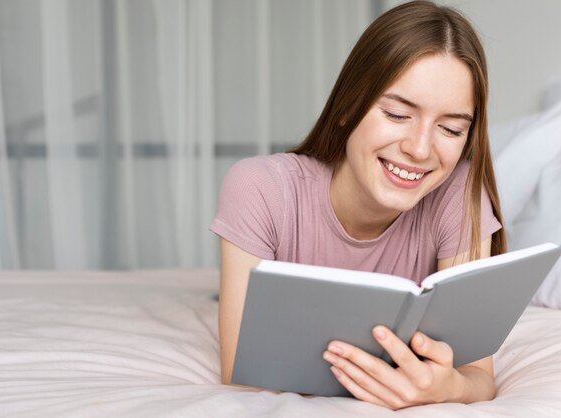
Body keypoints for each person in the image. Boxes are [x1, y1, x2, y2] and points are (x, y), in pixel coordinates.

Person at [210, 0, 506, 409]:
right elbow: (241, 379)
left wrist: (449, 389)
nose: (420, 149)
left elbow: (478, 377)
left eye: (450, 128)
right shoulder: (262, 188)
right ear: (349, 104)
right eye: (397, 114)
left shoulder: (458, 194)